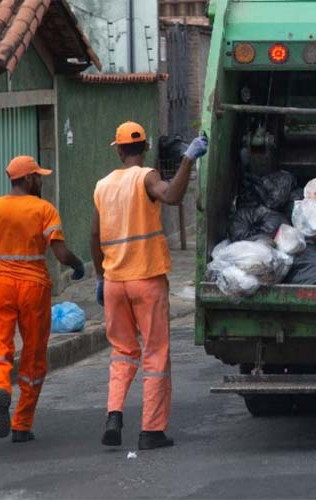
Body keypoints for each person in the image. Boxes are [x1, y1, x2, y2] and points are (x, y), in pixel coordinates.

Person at [92, 122, 207, 450]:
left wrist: (100, 277)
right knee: (155, 354)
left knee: (122, 352)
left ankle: (114, 414)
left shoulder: (102, 186)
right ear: (144, 149)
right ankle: (151, 431)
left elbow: (93, 236)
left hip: (114, 282)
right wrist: (188, 159)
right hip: (146, 281)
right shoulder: (147, 176)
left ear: (117, 149)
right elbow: (172, 196)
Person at [0, 156, 85, 443]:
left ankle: (0, 389)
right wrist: (78, 265)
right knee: (33, 356)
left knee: (0, 350)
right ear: (28, 179)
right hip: (32, 288)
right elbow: (61, 254)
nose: (41, 180)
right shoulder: (44, 209)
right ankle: (22, 424)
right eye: (38, 176)